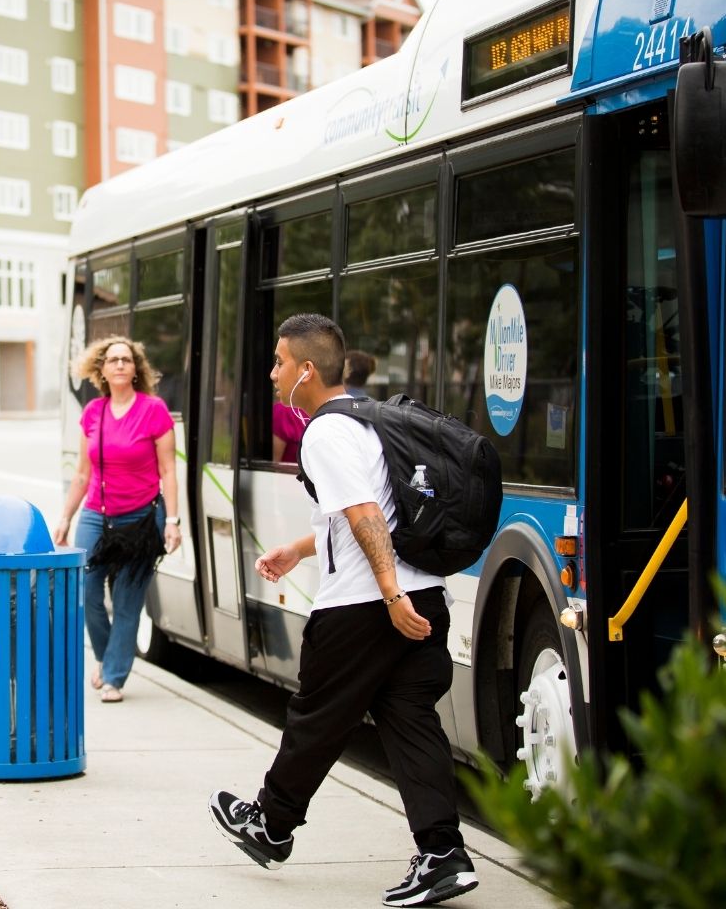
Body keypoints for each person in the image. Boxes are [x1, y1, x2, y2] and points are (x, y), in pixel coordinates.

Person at [209, 313, 478, 908]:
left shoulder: (325, 433)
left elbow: (365, 516)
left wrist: (388, 595)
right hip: (423, 591)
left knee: (316, 715)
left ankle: (271, 824)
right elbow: (353, 514)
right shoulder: (371, 419)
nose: (273, 373)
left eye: (279, 362)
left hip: (366, 606)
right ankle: (443, 854)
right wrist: (299, 550)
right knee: (409, 718)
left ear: (306, 369)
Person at [53, 336, 182, 703]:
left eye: (127, 359)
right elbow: (82, 474)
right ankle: (109, 657)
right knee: (86, 592)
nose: (121, 365)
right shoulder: (93, 412)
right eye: (113, 360)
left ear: (136, 369)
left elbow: (169, 471)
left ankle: (113, 677)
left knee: (127, 601)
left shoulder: (153, 410)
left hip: (141, 519)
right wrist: (65, 516)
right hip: (96, 514)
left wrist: (172, 520)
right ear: (102, 370)